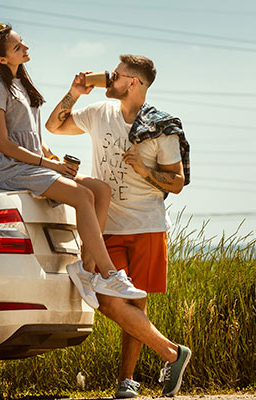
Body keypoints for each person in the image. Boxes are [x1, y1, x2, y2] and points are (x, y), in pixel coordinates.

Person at [45, 54, 191, 398]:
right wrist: (75, 92)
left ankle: (126, 383)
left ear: (134, 83)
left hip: (146, 225)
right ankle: (171, 352)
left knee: (134, 308)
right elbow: (54, 126)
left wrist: (145, 171)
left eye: (119, 75)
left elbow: (177, 182)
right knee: (107, 301)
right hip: (105, 226)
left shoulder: (160, 127)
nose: (111, 79)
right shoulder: (99, 112)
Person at [0, 23, 147, 304]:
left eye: (23, 43)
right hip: (11, 169)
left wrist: (53, 158)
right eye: (18, 47)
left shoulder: (22, 82)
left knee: (101, 191)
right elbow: (3, 143)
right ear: (2, 59)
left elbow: (32, 134)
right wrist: (50, 165)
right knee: (84, 196)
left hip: (35, 164)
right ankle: (109, 275)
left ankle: (86, 270)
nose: (26, 48)